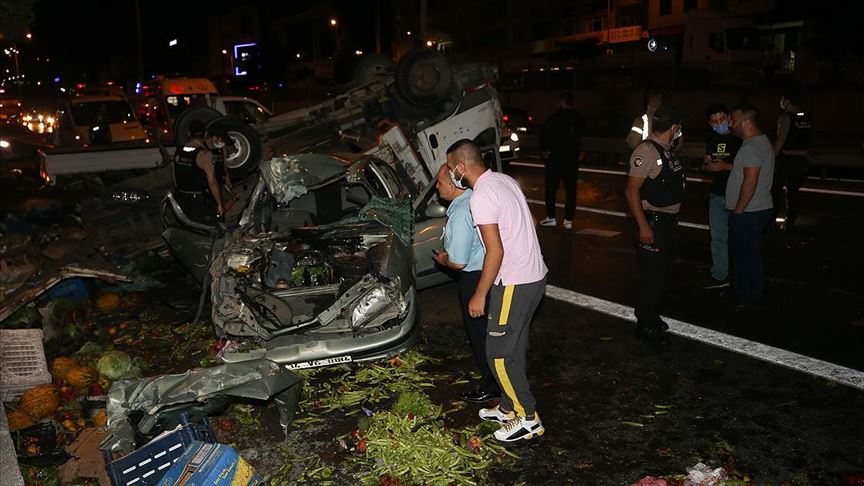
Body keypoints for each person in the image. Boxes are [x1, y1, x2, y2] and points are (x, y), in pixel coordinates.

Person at [445, 139, 547, 443]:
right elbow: (532, 223)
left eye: (451, 168)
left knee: (499, 354)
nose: (451, 174)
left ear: (461, 167)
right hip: (533, 276)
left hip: (515, 281)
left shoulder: (481, 197)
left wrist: (479, 293)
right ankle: (506, 406)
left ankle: (528, 417)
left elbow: (495, 251)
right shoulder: (504, 180)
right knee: (512, 346)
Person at [431, 165, 501, 405]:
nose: (437, 187)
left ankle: (491, 386)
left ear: (452, 185)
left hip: (474, 277)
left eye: (440, 182)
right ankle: (496, 378)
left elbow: (459, 262)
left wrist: (443, 259)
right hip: (490, 274)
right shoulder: (474, 199)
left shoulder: (461, 213)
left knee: (480, 334)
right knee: (491, 332)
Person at [624, 106, 685, 340]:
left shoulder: (666, 150)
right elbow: (631, 191)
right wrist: (644, 226)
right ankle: (644, 321)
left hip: (667, 222)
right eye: (679, 127)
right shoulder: (648, 151)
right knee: (652, 275)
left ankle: (651, 315)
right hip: (654, 222)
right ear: (674, 127)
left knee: (663, 273)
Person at [727, 104, 774, 306]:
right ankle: (752, 294)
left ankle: (746, 297)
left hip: (749, 211)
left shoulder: (751, 147)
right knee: (752, 256)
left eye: (734, 121)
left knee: (744, 258)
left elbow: (750, 182)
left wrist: (738, 211)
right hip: (759, 208)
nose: (731, 124)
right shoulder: (762, 142)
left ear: (746, 122)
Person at [702, 103, 742, 289]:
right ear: (710, 124)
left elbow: (750, 170)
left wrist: (726, 166)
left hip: (738, 195)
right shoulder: (712, 140)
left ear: (729, 118)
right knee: (717, 238)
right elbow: (706, 164)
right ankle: (720, 275)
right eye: (715, 121)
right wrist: (708, 165)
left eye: (722, 119)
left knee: (739, 238)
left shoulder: (740, 139)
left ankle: (741, 275)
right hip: (717, 195)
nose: (719, 124)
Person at [539, 92, 584, 230]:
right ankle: (568, 220)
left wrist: (545, 150)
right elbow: (582, 137)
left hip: (555, 158)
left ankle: (551, 217)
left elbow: (544, 135)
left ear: (561, 102)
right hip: (571, 159)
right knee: (571, 189)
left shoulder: (554, 118)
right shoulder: (579, 118)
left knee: (551, 188)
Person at [172, 120, 225, 226]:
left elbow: (174, 174)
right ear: (205, 134)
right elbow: (212, 182)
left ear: (188, 134)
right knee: (211, 229)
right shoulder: (204, 154)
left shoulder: (178, 151)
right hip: (200, 200)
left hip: (183, 197)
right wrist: (219, 204)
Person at [772, 92, 812, 231]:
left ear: (786, 101)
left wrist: (771, 157)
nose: (780, 102)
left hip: (786, 159)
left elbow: (781, 139)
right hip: (802, 159)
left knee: (776, 190)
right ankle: (791, 220)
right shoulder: (806, 117)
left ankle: (772, 220)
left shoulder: (786, 117)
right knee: (793, 191)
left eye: (782, 99)